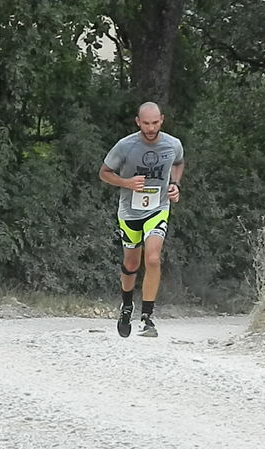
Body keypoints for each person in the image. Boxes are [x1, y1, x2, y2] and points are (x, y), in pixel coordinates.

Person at [99, 102, 185, 338]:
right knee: (131, 265)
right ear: (138, 122)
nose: (151, 128)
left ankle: (148, 317)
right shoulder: (125, 146)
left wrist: (175, 185)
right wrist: (126, 183)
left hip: (158, 208)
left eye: (155, 123)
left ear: (162, 120)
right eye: (146, 123)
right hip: (129, 212)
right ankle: (127, 306)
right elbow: (104, 173)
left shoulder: (172, 144)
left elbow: (178, 163)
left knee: (154, 258)